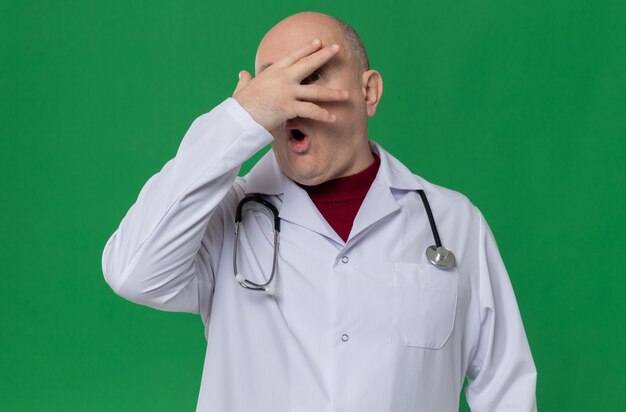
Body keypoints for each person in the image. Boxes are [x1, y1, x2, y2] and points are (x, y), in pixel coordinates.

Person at [102, 11, 537, 412]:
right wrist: (240, 119)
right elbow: (132, 272)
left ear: (369, 92)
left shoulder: (452, 222)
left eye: (311, 76)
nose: (292, 101)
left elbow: (506, 388)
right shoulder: (225, 217)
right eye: (273, 85)